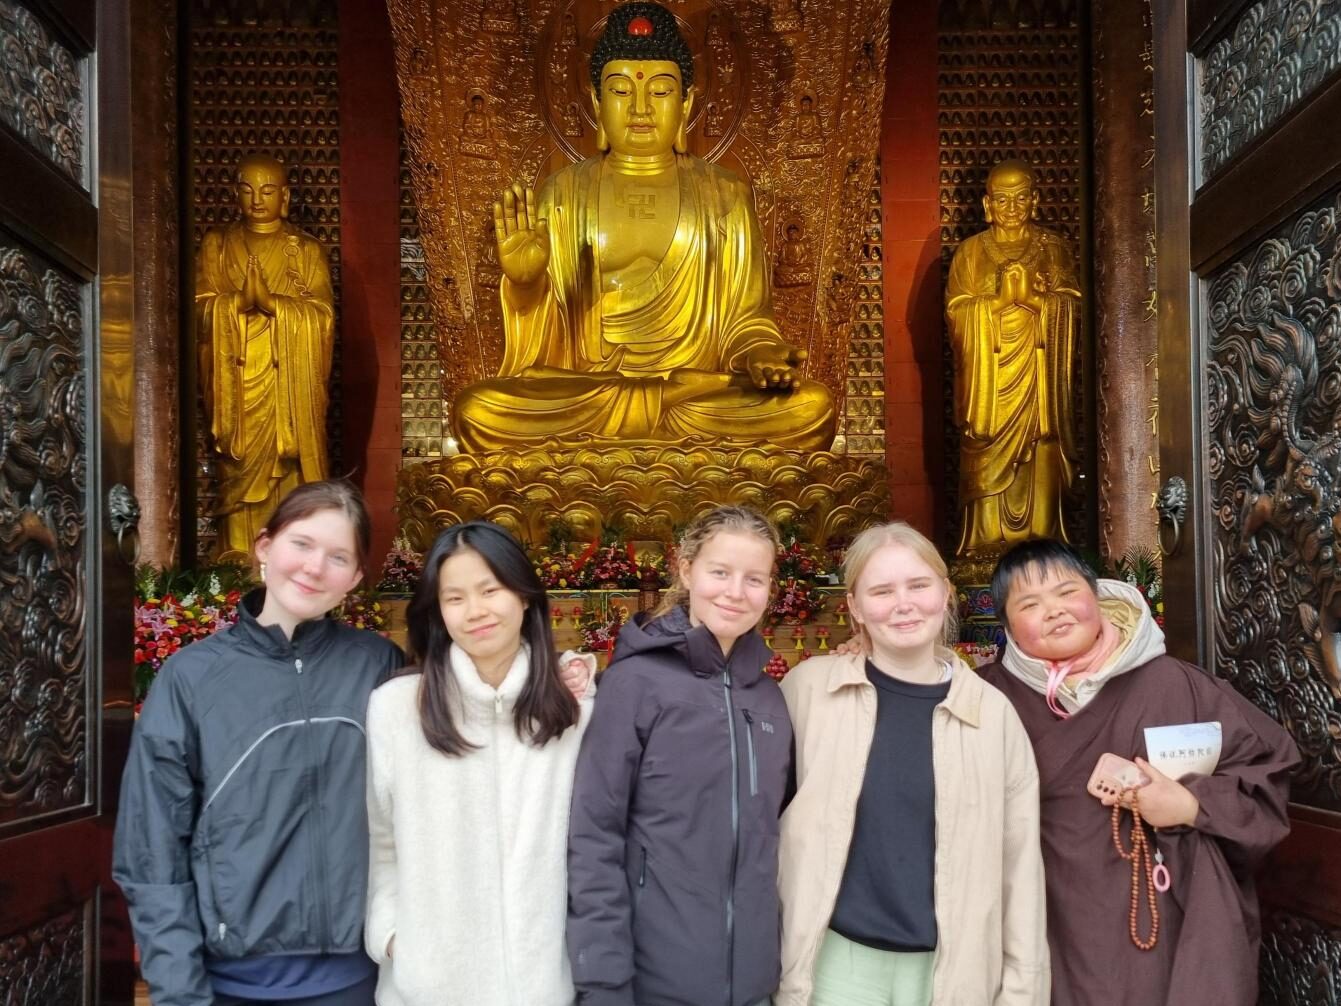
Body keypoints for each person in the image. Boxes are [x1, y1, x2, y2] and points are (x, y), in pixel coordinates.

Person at [452, 1, 834, 451]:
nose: (639, 107)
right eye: (619, 90)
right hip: (591, 393)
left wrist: (759, 353)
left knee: (812, 407)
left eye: (659, 91)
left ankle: (621, 440)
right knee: (477, 408)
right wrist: (525, 285)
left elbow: (745, 320)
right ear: (595, 102)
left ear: (686, 102)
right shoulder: (561, 193)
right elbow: (545, 345)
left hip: (692, 393)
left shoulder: (724, 194)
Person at [114, 480, 405, 1006]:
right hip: (229, 982)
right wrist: (180, 992)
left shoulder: (376, 666)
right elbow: (152, 849)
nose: (315, 567)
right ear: (265, 546)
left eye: (338, 556)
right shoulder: (191, 678)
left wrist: (557, 678)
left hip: (358, 979)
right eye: (302, 544)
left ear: (357, 578)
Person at [978, 538, 1300, 1006]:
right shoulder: (985, 697)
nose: (1055, 610)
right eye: (1030, 603)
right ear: (1006, 625)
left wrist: (1191, 805)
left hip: (1157, 913)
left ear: (1097, 594)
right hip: (1038, 917)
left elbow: (1266, 773)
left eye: (1068, 592)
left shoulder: (1173, 683)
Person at [775, 522, 1048, 1006]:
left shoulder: (993, 713)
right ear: (855, 606)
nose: (904, 604)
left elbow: (1020, 865)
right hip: (837, 964)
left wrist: (1022, 990)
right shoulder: (809, 691)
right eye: (881, 591)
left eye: (919, 585)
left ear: (945, 592)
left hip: (953, 970)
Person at [363, 521, 595, 1006]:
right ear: (437, 611)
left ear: (525, 595)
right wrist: (393, 940)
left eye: (491, 589)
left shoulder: (574, 710)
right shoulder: (397, 708)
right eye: (455, 598)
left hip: (545, 989)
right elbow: (380, 841)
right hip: (427, 991)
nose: (476, 612)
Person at [567, 505, 792, 1006]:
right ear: (686, 570)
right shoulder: (634, 684)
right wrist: (602, 984)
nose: (736, 592)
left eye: (754, 578)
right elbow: (594, 835)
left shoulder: (771, 698)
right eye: (720, 572)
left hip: (755, 982)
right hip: (655, 981)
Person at [195, 153, 336, 561]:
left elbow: (324, 317)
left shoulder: (305, 251)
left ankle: (293, 554)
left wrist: (274, 304)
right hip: (234, 377)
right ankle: (238, 556)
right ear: (235, 194)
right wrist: (236, 303)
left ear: (285, 197)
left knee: (288, 462)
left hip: (287, 383)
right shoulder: (218, 245)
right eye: (247, 189)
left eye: (268, 190)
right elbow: (198, 308)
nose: (257, 199)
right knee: (236, 464)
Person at [945, 159, 1080, 556]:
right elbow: (956, 313)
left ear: (1034, 200)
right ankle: (986, 540)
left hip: (1039, 373)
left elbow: (1071, 306)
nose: (1011, 207)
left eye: (1021, 197)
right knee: (985, 442)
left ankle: (1042, 539)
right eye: (1002, 199)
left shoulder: (1053, 248)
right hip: (990, 382)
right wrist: (1000, 302)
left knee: (1042, 441)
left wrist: (1037, 302)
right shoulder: (970, 252)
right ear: (987, 205)